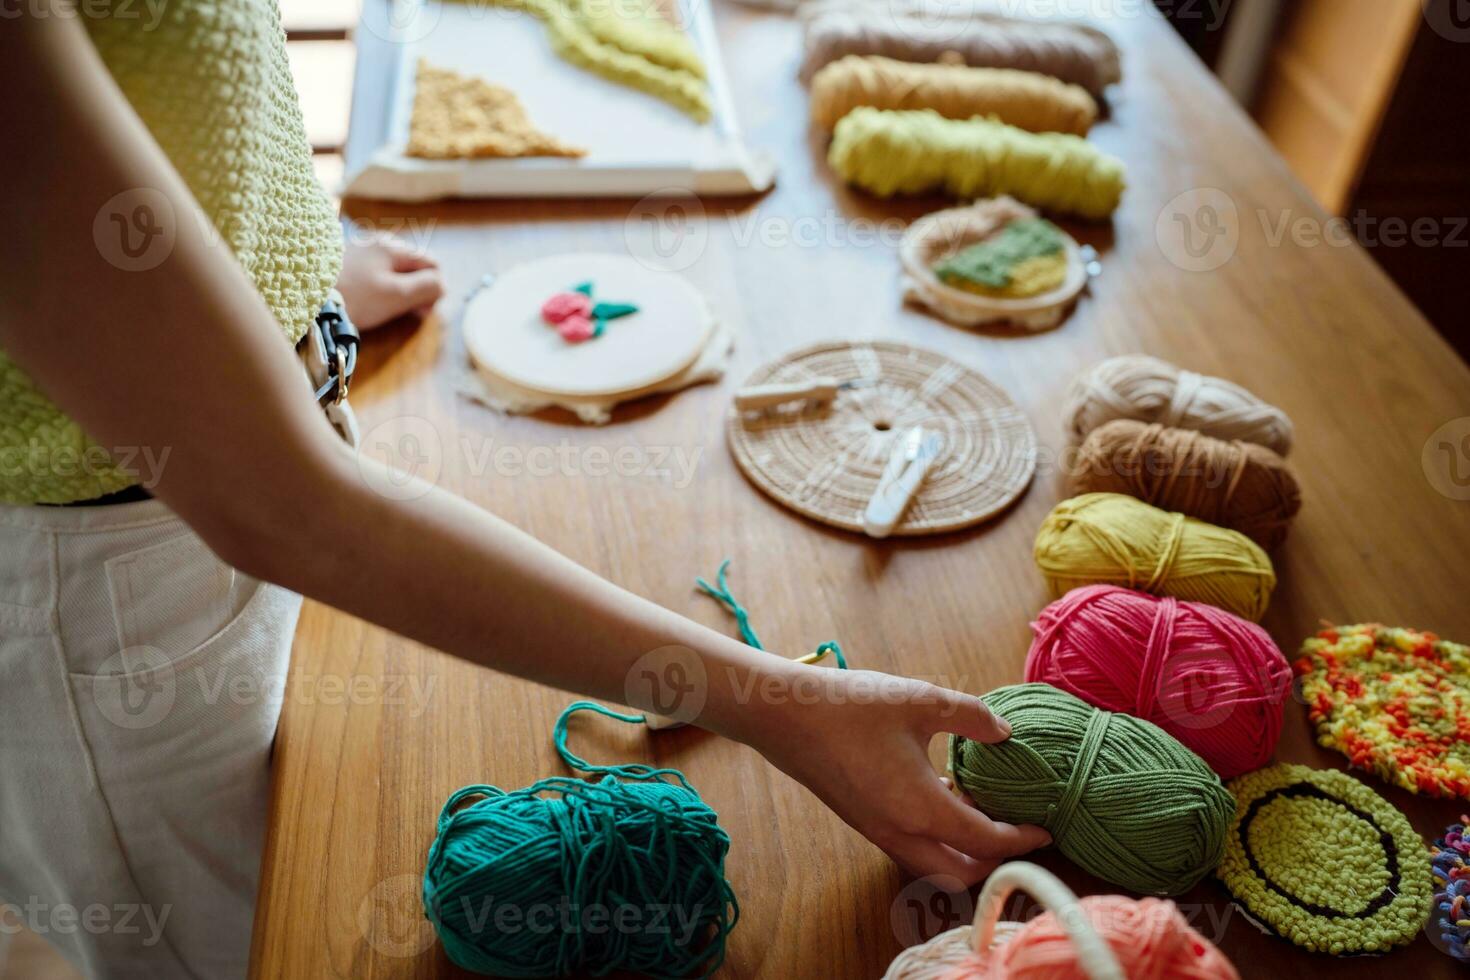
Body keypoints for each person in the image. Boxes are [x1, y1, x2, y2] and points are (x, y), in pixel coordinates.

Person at [1, 3, 1049, 977]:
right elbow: (289, 507)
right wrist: (780, 700)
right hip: (114, 598)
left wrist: (292, 295)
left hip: (246, 442)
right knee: (248, 935)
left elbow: (159, 115)